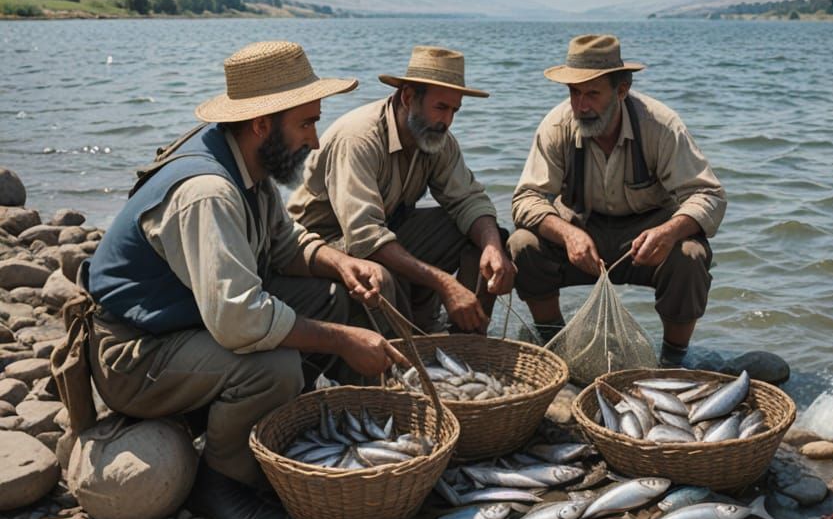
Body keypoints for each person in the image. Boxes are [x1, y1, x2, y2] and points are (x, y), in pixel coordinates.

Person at [78, 40, 403, 519]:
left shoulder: (250, 163)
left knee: (340, 298)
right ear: (261, 124)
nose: (316, 141)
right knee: (273, 367)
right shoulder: (207, 192)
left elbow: (285, 245)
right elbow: (241, 319)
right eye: (306, 123)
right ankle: (221, 480)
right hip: (134, 355)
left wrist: (342, 262)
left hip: (189, 325)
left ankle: (306, 425)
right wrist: (341, 340)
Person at [509, 34, 726, 367]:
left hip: (648, 236)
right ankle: (553, 344)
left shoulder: (661, 126)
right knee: (523, 244)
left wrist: (667, 233)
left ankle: (673, 361)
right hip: (581, 232)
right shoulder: (556, 126)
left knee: (691, 254)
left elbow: (708, 195)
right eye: (574, 93)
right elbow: (527, 199)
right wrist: (568, 234)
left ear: (622, 90)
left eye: (592, 94)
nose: (581, 105)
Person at [289, 46, 516, 334]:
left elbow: (468, 200)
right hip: (323, 243)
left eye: (454, 111)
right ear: (408, 97)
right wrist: (445, 284)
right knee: (380, 277)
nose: (447, 120)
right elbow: (364, 238)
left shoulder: (438, 138)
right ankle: (409, 353)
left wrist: (493, 249)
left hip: (384, 231)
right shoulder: (359, 138)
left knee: (487, 237)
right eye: (440, 108)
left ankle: (468, 344)